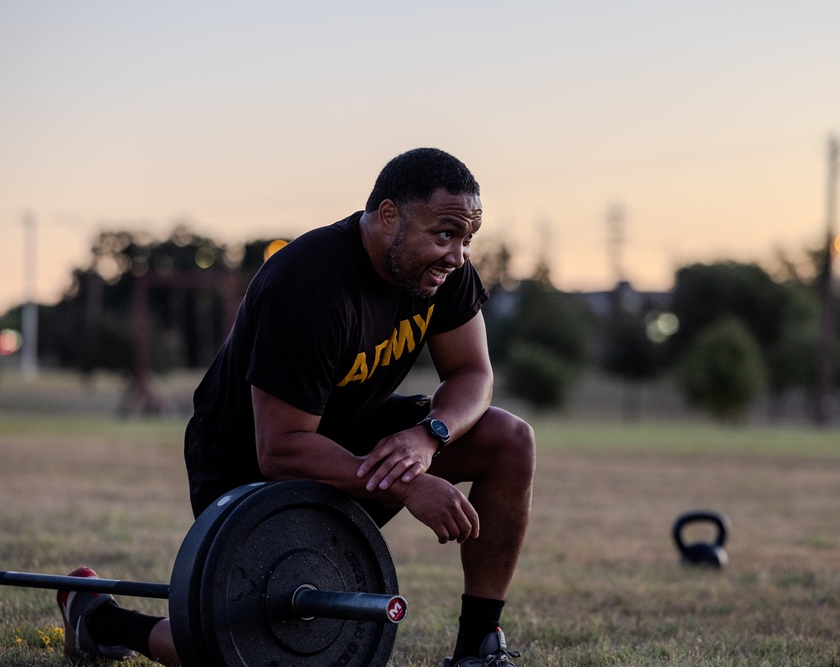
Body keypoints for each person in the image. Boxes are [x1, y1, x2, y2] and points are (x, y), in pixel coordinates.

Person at [56, 147, 536, 665]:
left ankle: (478, 649)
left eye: (466, 239)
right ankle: (101, 620)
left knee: (506, 439)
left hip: (351, 435)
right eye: (444, 235)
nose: (457, 255)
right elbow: (280, 450)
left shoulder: (443, 270)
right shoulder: (307, 286)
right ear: (389, 215)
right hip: (250, 463)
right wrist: (407, 482)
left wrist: (427, 437)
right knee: (270, 649)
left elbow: (472, 373)